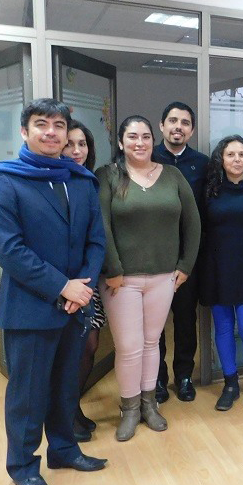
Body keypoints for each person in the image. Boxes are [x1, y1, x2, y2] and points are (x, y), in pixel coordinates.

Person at [0, 98, 107, 485]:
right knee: (28, 394)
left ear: (67, 133)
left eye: (58, 125)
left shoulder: (80, 181)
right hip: (30, 309)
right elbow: (9, 250)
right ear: (24, 132)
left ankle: (64, 450)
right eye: (41, 124)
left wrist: (82, 287)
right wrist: (63, 287)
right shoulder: (3, 181)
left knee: (66, 386)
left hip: (74, 306)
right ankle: (23, 466)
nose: (51, 131)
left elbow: (95, 241)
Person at [96, 115, 201, 442]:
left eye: (144, 136)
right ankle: (129, 409)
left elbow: (193, 223)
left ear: (151, 139)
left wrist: (185, 265)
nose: (139, 142)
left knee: (150, 342)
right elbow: (102, 226)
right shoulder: (108, 175)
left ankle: (149, 403)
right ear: (121, 142)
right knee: (128, 347)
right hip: (121, 280)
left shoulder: (172, 175)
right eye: (132, 137)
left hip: (163, 276)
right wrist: (112, 269)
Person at [199, 135, 243, 411]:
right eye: (231, 154)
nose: (237, 159)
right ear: (221, 159)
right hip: (216, 267)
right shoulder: (209, 190)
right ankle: (230, 383)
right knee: (224, 328)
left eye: (242, 154)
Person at [152, 102, 209, 403]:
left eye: (185, 122)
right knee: (155, 323)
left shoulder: (203, 163)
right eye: (172, 120)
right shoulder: (147, 159)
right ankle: (158, 379)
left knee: (186, 320)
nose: (178, 127)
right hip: (153, 256)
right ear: (161, 125)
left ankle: (184, 375)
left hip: (189, 257)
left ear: (192, 130)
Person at [62, 120, 105, 441]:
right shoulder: (49, 182)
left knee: (89, 345)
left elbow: (96, 237)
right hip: (59, 284)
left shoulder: (91, 183)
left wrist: (86, 283)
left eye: (82, 144)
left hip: (89, 280)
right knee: (69, 350)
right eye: (70, 144)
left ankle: (71, 407)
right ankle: (66, 413)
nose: (77, 151)